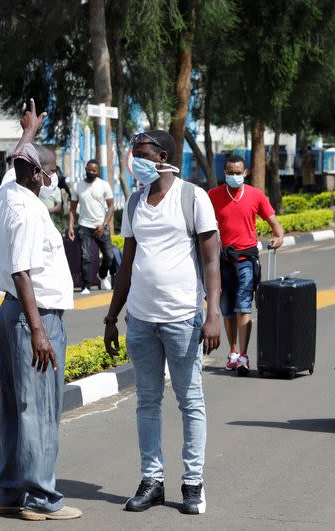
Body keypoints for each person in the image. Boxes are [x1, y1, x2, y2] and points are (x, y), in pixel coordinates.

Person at [103, 130, 221, 515]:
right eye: (132, 153)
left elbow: (210, 261)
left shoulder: (192, 197)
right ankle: (152, 481)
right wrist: (111, 316)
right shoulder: (135, 201)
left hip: (182, 318)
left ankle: (193, 484)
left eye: (141, 154)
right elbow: (127, 265)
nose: (134, 159)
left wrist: (213, 312)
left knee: (190, 402)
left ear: (163, 157)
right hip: (141, 319)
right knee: (147, 402)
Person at [0, 99, 81, 521]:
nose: (53, 178)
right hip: (34, 317)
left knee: (16, 407)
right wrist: (40, 332)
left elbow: (16, 163)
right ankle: (40, 497)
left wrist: (29, 132)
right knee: (40, 410)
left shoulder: (9, 192)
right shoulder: (27, 210)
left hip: (13, 315)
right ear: (34, 174)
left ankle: (11, 491)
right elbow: (22, 272)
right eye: (49, 171)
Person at [207, 154, 284, 375]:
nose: (234, 176)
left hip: (247, 260)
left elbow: (276, 227)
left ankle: (243, 355)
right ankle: (232, 352)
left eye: (238, 173)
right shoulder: (213, 196)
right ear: (224, 173)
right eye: (230, 173)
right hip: (222, 261)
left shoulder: (256, 195)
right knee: (227, 309)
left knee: (243, 306)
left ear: (246, 173)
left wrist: (278, 238)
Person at [66, 159, 115, 294]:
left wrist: (104, 224)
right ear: (85, 169)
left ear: (98, 172)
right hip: (84, 225)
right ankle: (86, 286)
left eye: (94, 171)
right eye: (89, 170)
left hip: (101, 225)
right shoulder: (77, 186)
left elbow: (111, 206)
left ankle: (103, 275)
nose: (91, 172)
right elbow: (72, 209)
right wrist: (70, 226)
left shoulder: (104, 185)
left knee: (109, 256)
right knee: (85, 256)